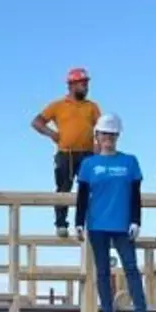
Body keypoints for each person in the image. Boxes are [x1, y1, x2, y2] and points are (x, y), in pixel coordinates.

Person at [75, 114, 150, 312]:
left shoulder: (129, 161)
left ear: (117, 136)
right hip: (97, 224)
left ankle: (141, 311)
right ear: (97, 136)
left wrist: (136, 220)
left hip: (123, 224)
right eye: (104, 134)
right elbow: (82, 195)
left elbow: (136, 194)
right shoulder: (89, 164)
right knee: (103, 270)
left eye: (112, 134)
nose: (108, 138)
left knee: (131, 267)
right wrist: (78, 222)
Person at [29, 67, 102, 239]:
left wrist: (99, 145)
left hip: (88, 154)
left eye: (86, 84)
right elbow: (37, 122)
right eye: (82, 84)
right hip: (66, 153)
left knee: (90, 188)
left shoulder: (92, 107)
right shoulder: (58, 105)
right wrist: (52, 134)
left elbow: (100, 128)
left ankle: (87, 224)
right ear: (71, 85)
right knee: (63, 189)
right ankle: (61, 224)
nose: (85, 87)